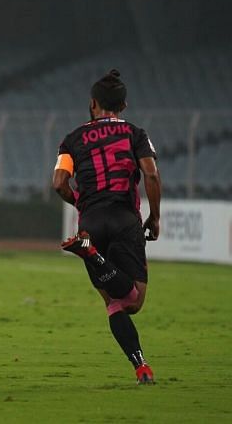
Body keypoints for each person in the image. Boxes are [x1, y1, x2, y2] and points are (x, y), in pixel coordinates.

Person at [52, 69, 161, 385]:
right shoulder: (135, 134)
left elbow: (59, 183)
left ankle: (141, 367)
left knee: (114, 303)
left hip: (90, 223)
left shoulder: (71, 139)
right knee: (134, 301)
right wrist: (154, 217)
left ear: (92, 103)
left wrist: (80, 203)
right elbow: (151, 175)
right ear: (123, 106)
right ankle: (94, 257)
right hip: (125, 218)